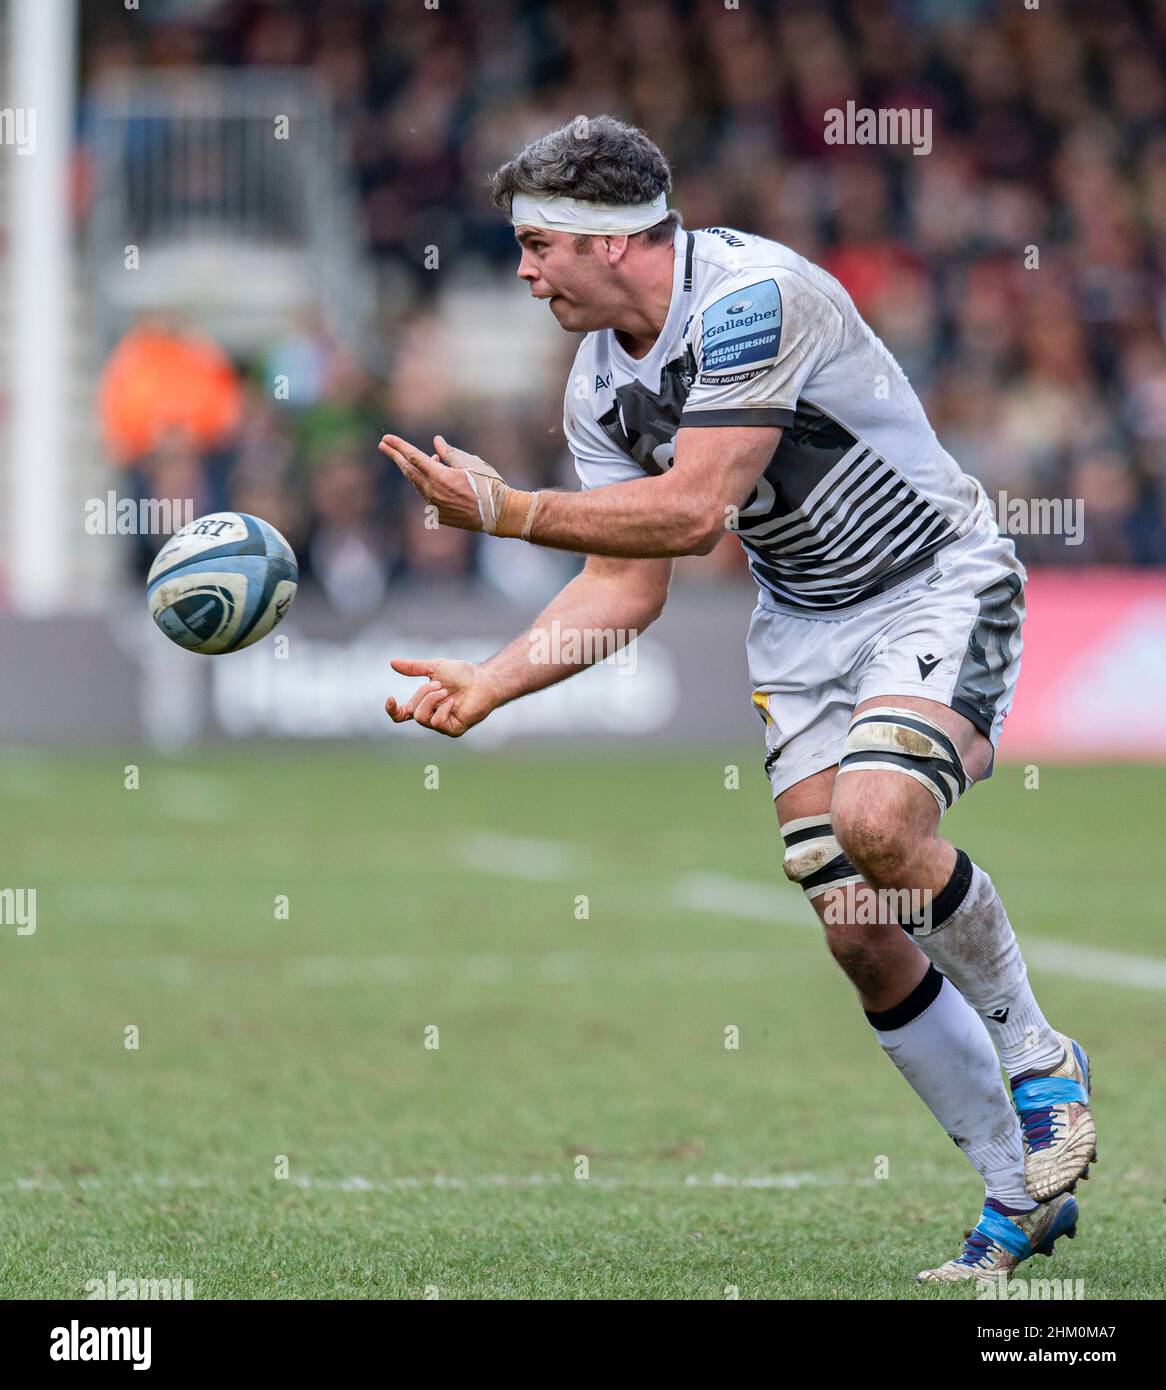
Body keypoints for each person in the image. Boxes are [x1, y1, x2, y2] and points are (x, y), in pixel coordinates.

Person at [377, 115, 1095, 1283]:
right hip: (806, 629)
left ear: (610, 243)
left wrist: (508, 510)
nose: (521, 270)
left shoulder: (754, 296)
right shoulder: (598, 386)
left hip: (930, 581)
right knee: (854, 928)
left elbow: (694, 508)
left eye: (537, 243)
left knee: (876, 826)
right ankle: (1017, 1190)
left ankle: (1038, 1060)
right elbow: (628, 586)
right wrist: (495, 680)